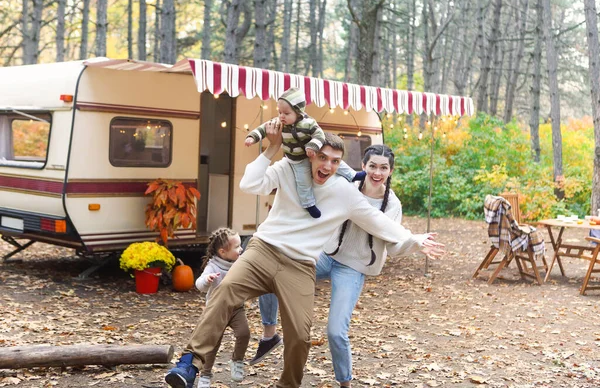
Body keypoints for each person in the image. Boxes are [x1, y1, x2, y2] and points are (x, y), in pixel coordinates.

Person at [165, 125, 444, 388]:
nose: (327, 166)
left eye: (335, 161)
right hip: (263, 250)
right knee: (224, 291)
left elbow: (379, 222)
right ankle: (190, 364)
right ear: (311, 154)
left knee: (300, 336)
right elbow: (250, 184)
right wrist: (270, 149)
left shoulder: (345, 193)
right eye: (323, 157)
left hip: (300, 266)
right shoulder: (289, 168)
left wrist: (414, 240)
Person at [251, 145, 443, 387]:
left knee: (335, 332)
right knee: (272, 275)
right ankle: (269, 335)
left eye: (383, 168)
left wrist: (415, 242)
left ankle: (345, 383)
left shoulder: (392, 204)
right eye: (372, 166)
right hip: (325, 254)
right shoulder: (347, 186)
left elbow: (393, 247)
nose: (377, 172)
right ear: (363, 167)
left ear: (390, 171)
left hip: (353, 267)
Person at [244, 87, 364, 218]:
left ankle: (352, 175)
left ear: (298, 112)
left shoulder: (308, 123)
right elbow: (262, 128)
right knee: (303, 181)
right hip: (296, 160)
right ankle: (308, 203)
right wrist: (253, 137)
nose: (281, 116)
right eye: (280, 112)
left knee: (338, 163)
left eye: (286, 113)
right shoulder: (280, 124)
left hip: (310, 152)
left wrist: (313, 147)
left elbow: (319, 135)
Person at [191, 227, 249, 388]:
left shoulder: (240, 263)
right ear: (223, 252)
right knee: (213, 343)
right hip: (216, 311)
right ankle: (205, 375)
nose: (241, 249)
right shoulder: (213, 266)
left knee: (244, 333)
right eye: (237, 247)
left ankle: (237, 361)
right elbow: (199, 285)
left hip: (236, 308)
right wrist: (207, 280)